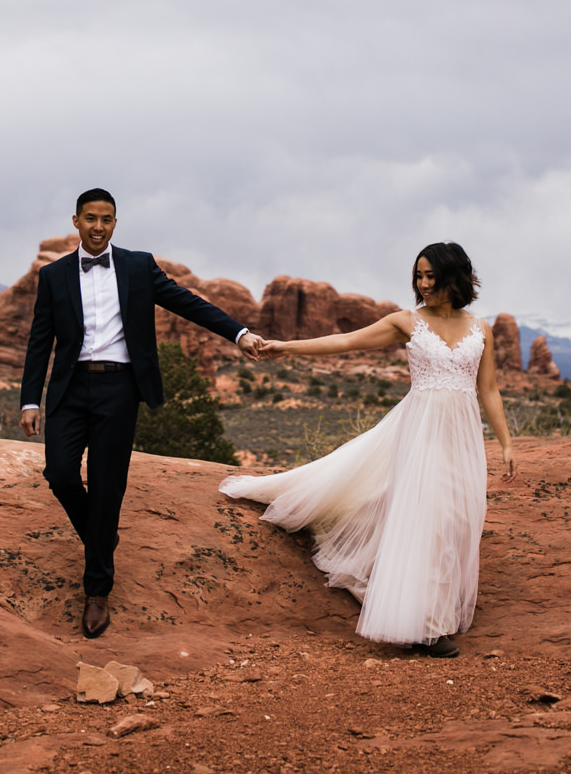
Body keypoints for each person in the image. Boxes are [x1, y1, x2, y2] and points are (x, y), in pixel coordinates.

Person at [219, 241, 514, 658]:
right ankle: (426, 626)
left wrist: (505, 443)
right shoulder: (406, 322)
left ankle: (434, 611)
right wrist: (286, 346)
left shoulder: (480, 328)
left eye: (432, 276)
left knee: (457, 519)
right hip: (421, 429)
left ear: (456, 277)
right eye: (419, 275)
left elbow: (489, 390)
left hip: (462, 434)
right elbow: (344, 342)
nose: (423, 283)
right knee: (427, 517)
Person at [21, 188, 271, 639]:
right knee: (59, 473)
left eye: (108, 219)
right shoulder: (54, 275)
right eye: (91, 218)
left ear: (116, 223)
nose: (99, 226)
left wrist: (239, 333)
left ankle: (97, 591)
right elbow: (40, 340)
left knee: (107, 485)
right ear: (75, 222)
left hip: (119, 387)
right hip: (70, 388)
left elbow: (188, 302)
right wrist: (29, 400)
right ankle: (101, 538)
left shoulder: (138, 266)